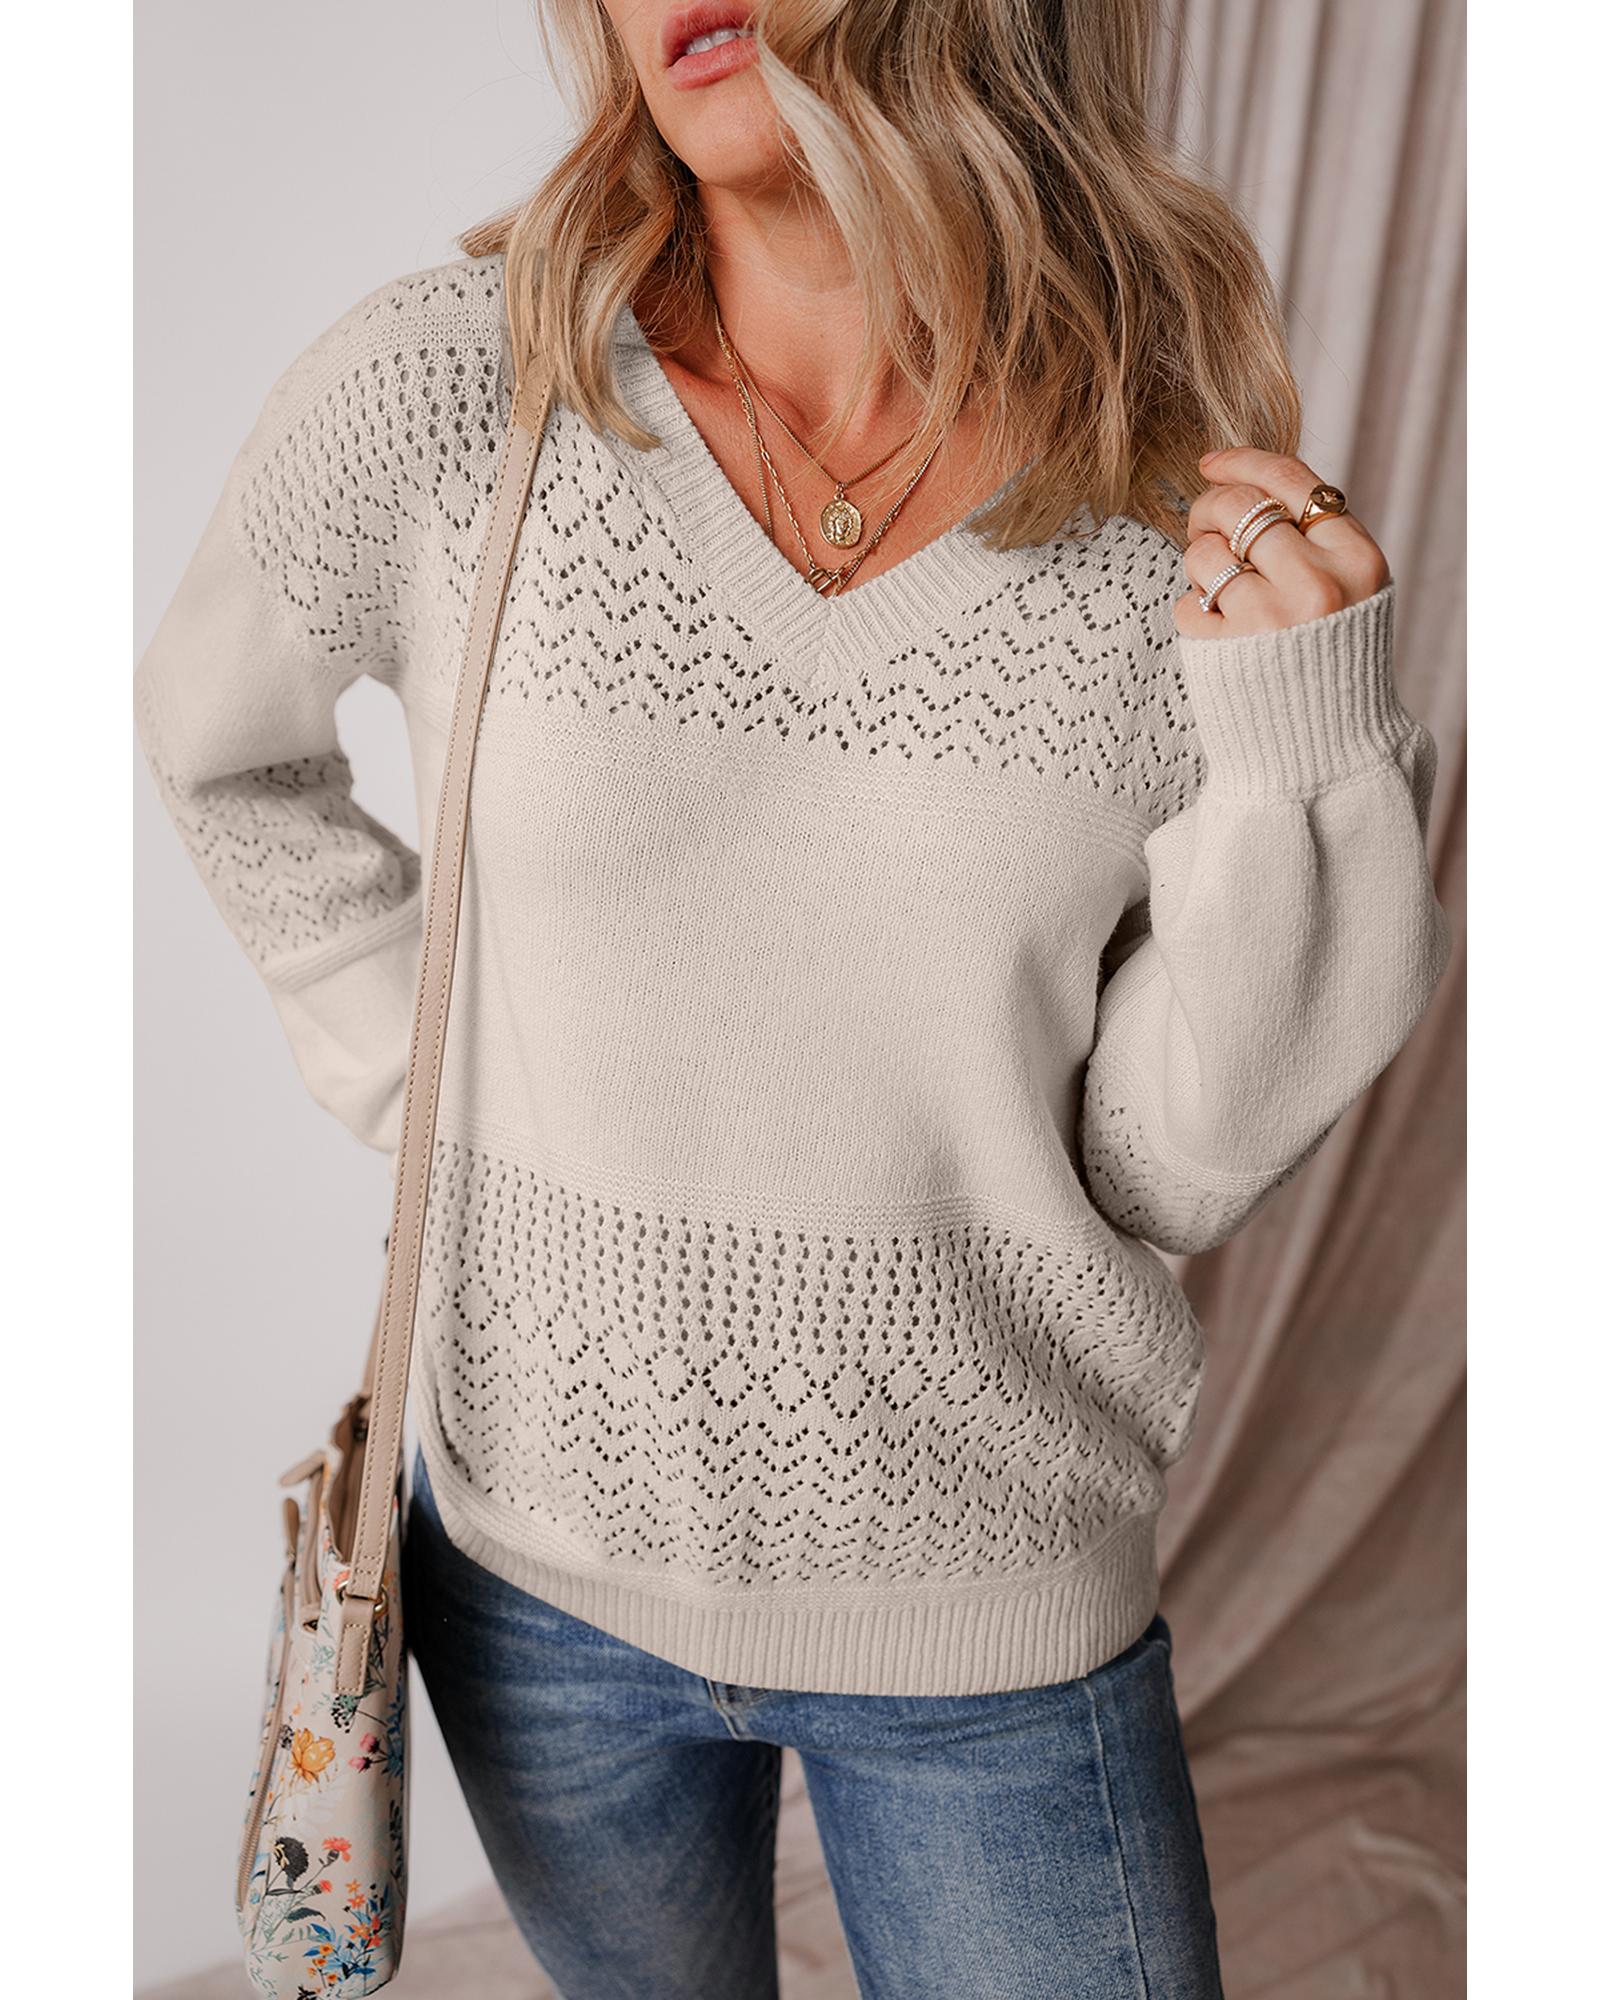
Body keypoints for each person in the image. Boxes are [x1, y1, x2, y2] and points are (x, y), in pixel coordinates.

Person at [134, 2, 1452, 1994]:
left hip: (989, 1605)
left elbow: (1161, 1163)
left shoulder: (1156, 511)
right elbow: (217, 743)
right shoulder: (455, 393)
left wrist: (1304, 759)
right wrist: (445, 1090)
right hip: (538, 1591)